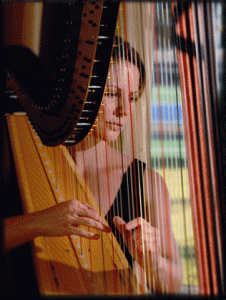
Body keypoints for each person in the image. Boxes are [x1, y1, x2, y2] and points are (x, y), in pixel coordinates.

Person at [2, 36, 183, 294]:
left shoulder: (146, 182)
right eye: (112, 94)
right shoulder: (16, 157)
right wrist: (37, 222)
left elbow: (173, 283)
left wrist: (151, 261)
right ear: (79, 92)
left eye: (132, 98)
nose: (124, 111)